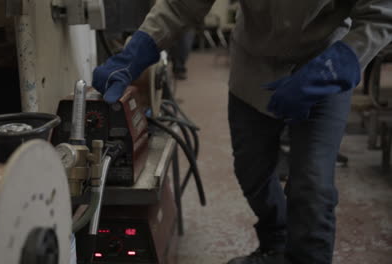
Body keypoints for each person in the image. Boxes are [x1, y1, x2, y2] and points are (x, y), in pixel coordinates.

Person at [92, 1, 392, 263]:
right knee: (252, 170)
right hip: (254, 65)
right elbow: (180, 4)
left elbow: (381, 13)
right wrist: (136, 52)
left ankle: (307, 257)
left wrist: (331, 70)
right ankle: (276, 241)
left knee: (313, 184)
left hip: (324, 65)